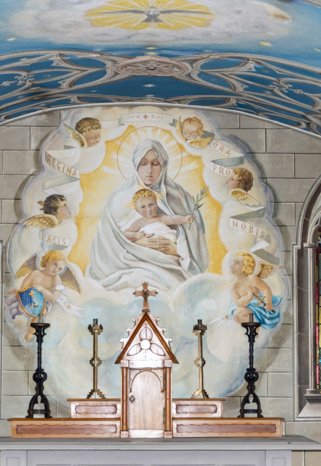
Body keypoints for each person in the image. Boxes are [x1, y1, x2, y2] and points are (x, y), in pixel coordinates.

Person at [86, 140, 208, 292]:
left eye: (155, 164)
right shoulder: (116, 199)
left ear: (163, 165)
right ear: (135, 165)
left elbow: (196, 246)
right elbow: (106, 246)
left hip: (171, 265)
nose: (149, 170)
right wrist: (142, 243)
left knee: (176, 288)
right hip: (127, 266)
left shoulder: (181, 198)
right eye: (143, 163)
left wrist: (175, 249)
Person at [124, 188, 193, 261]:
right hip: (150, 248)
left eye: (151, 204)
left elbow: (172, 219)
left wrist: (184, 219)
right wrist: (136, 235)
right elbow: (126, 233)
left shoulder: (160, 218)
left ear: (156, 204)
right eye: (143, 207)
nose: (148, 209)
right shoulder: (139, 222)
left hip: (167, 244)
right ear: (137, 210)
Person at [229, 252, 280, 328]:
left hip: (259, 308)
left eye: (238, 262)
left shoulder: (252, 279)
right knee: (237, 314)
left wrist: (268, 302)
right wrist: (249, 297)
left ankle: (255, 327)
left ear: (245, 267)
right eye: (234, 261)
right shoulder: (233, 285)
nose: (233, 264)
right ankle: (252, 329)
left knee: (239, 313)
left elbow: (266, 289)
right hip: (244, 308)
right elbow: (238, 303)